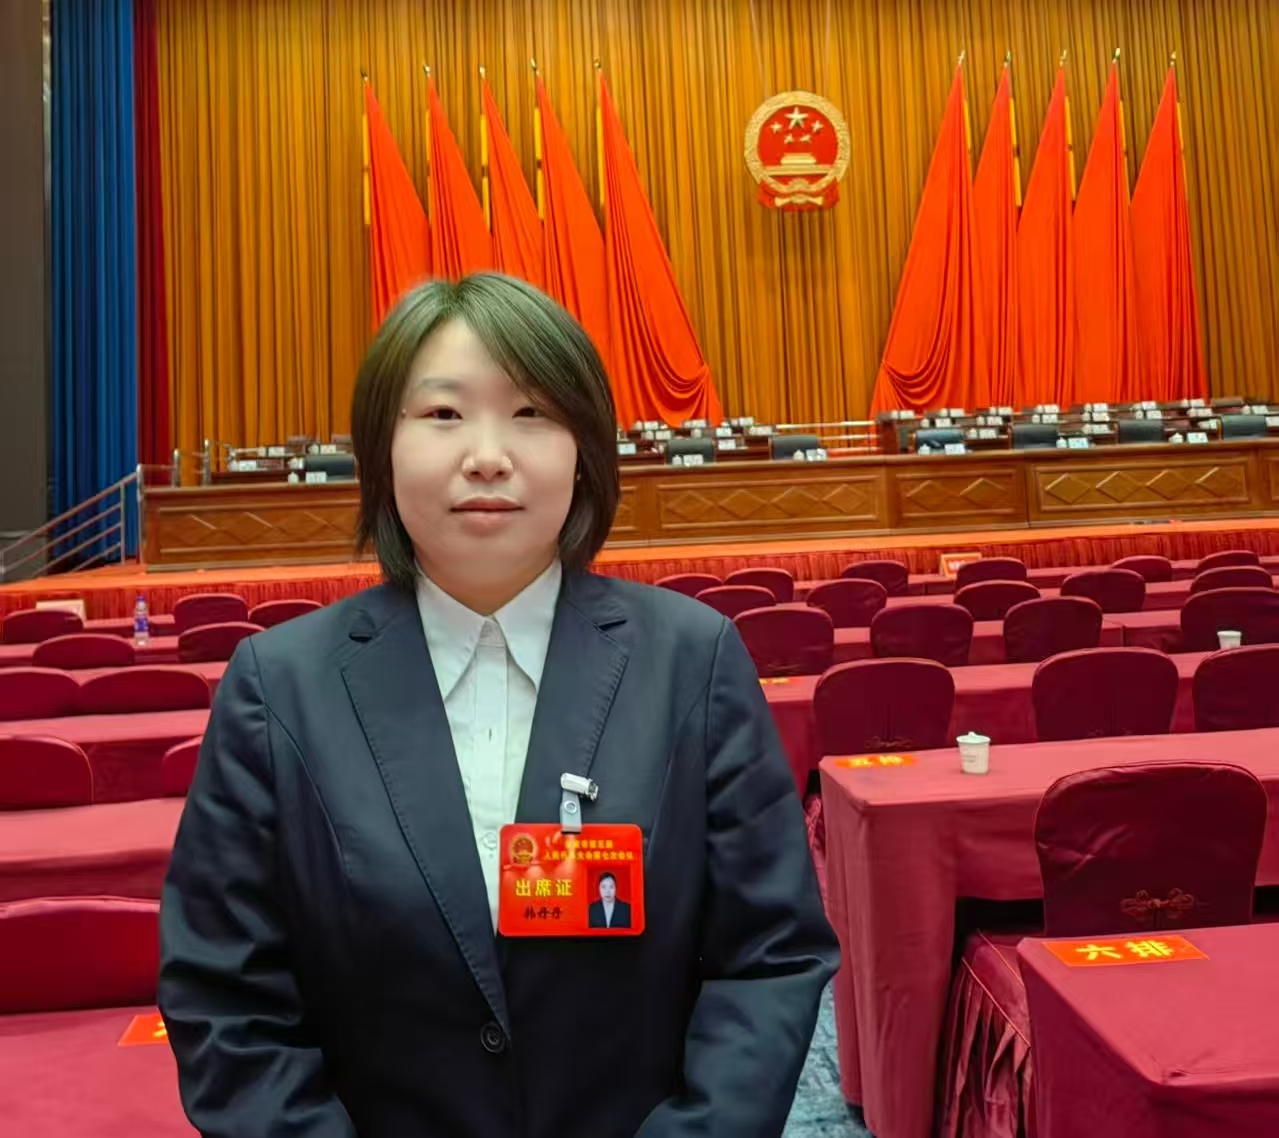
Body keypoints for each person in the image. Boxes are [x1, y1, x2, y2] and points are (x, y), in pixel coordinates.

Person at [158, 273, 838, 1138]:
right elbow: (226, 997)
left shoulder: (692, 659)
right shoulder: (277, 684)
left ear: (584, 449)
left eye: (531, 413)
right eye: (443, 413)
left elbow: (769, 958)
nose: (486, 454)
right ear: (381, 445)